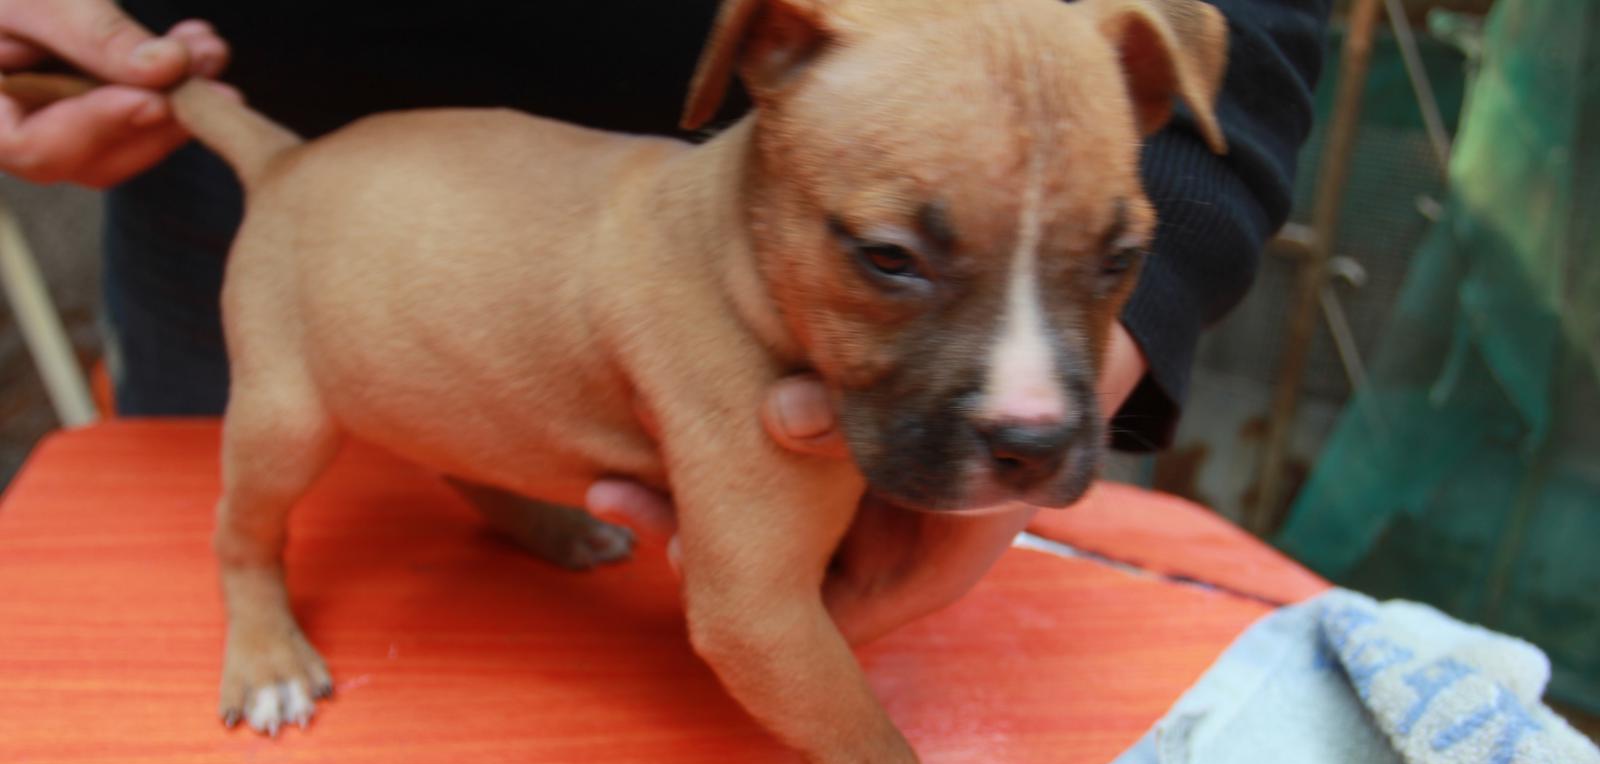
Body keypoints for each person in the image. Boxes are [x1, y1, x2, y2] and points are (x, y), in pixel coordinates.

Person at [0, 0, 1329, 644]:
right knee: (277, 444)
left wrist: (1138, 247)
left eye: (1105, 265)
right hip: (269, 157)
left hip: (857, 160)